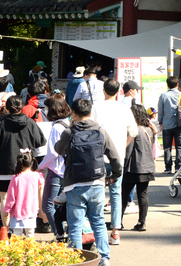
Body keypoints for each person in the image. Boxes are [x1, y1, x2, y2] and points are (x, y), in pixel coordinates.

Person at [55, 99, 121, 266]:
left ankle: (77, 260)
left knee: (75, 225)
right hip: (97, 182)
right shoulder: (101, 131)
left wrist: (69, 127)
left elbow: (58, 150)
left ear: (74, 114)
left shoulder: (69, 133)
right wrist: (115, 174)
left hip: (74, 184)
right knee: (98, 221)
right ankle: (104, 258)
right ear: (91, 113)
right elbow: (115, 156)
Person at [0, 97, 46, 227]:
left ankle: (5, 231)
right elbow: (40, 141)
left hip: (4, 166)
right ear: (21, 107)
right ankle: (25, 229)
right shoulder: (30, 123)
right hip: (26, 167)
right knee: (27, 198)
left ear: (6, 107)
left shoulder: (0, 123)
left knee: (5, 199)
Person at [91, 79, 138, 246]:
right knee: (116, 193)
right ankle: (116, 231)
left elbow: (91, 129)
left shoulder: (96, 107)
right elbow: (134, 131)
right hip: (118, 156)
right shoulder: (124, 109)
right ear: (119, 91)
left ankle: (97, 232)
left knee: (97, 193)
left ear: (103, 90)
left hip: (98, 156)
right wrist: (121, 146)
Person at [39, 94, 71, 238]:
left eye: (46, 107)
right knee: (63, 204)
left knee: (47, 205)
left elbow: (53, 152)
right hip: (68, 171)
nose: (45, 110)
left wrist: (40, 166)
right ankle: (64, 233)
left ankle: (59, 234)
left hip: (56, 171)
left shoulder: (57, 127)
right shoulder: (69, 122)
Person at [121, 104, 156, 232]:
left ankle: (118, 221)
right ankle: (142, 222)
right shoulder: (149, 129)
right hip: (147, 166)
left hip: (132, 167)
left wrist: (122, 165)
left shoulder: (133, 130)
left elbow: (128, 149)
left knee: (123, 195)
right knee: (143, 194)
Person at [3, 152, 43, 238]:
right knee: (30, 233)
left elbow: (11, 197)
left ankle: (16, 251)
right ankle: (31, 250)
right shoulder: (36, 176)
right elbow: (41, 181)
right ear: (31, 162)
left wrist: (6, 209)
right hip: (31, 211)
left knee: (17, 233)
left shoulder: (15, 178)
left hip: (18, 211)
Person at [157, 76, 181, 173]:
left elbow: (160, 111)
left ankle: (168, 168)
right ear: (177, 84)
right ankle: (178, 167)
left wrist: (160, 122)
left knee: (167, 147)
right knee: (180, 146)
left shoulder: (163, 96)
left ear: (168, 85)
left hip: (167, 124)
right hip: (180, 124)